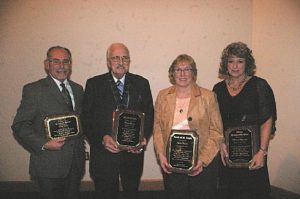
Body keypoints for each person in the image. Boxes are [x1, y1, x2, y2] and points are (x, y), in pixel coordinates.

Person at [11, 46, 86, 199]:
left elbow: (81, 121)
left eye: (66, 61)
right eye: (56, 61)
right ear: (47, 64)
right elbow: (20, 125)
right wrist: (44, 144)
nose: (62, 66)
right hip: (48, 165)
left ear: (70, 64)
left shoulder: (78, 89)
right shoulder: (34, 90)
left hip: (75, 163)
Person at [82, 43, 154, 199]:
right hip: (104, 156)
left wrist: (143, 138)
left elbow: (149, 115)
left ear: (129, 61)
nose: (120, 62)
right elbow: (86, 120)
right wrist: (101, 138)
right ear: (108, 62)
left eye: (125, 58)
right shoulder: (94, 84)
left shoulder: (142, 83)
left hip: (132, 156)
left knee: (131, 193)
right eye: (115, 58)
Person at [153, 54, 224, 199]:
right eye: (178, 70)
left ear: (194, 73)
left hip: (202, 164)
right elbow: (157, 128)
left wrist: (202, 161)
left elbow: (216, 132)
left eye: (187, 69)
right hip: (172, 162)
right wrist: (161, 154)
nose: (183, 74)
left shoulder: (208, 97)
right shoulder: (162, 96)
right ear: (172, 73)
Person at [213, 41, 277, 199]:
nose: (235, 66)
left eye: (240, 61)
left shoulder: (259, 85)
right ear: (225, 64)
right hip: (227, 154)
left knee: (252, 192)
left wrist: (262, 152)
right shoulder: (217, 89)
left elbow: (267, 120)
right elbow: (214, 121)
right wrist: (220, 143)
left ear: (247, 63)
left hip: (254, 154)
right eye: (231, 61)